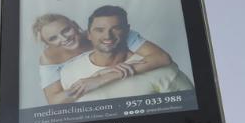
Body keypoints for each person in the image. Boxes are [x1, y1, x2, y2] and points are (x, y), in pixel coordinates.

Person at [58, 5, 193, 103]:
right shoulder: (69, 71)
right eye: (99, 30)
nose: (107, 36)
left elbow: (190, 112)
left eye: (116, 28)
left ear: (127, 30)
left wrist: (104, 78)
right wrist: (97, 76)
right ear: (88, 34)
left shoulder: (161, 70)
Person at [32, 13, 173, 105]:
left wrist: (106, 76)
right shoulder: (48, 58)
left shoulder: (105, 34)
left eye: (66, 30)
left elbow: (162, 58)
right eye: (53, 38)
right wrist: (92, 78)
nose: (64, 38)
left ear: (74, 25)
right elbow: (55, 101)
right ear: (47, 43)